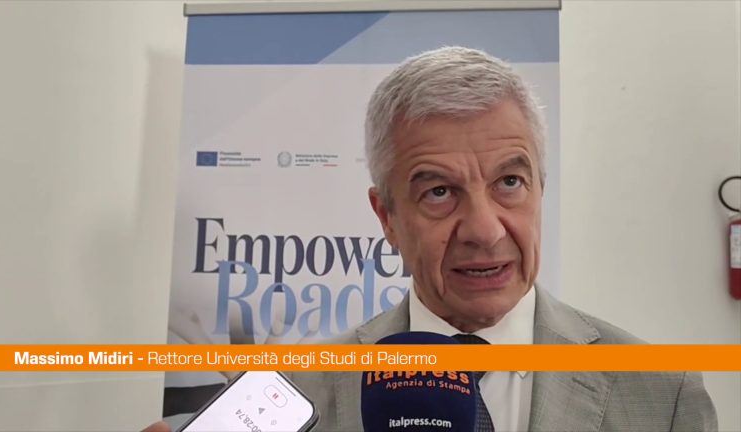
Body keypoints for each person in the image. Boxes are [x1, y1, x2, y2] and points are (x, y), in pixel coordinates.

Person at [144, 46, 717, 432]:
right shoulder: (300, 393)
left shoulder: (663, 397)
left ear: (541, 188)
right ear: (387, 217)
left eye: (510, 182)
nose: (485, 230)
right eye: (439, 192)